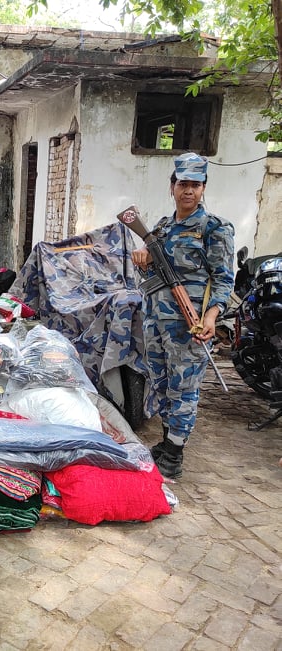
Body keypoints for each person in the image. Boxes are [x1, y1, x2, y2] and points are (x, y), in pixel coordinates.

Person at [132, 152, 235, 479]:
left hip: (189, 323)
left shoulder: (214, 229)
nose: (188, 191)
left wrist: (211, 316)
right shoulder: (161, 228)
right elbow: (148, 275)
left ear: (203, 188)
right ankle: (166, 440)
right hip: (157, 321)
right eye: (182, 184)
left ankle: (174, 453)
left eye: (195, 185)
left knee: (184, 387)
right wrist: (143, 257)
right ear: (172, 187)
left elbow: (223, 278)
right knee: (161, 383)